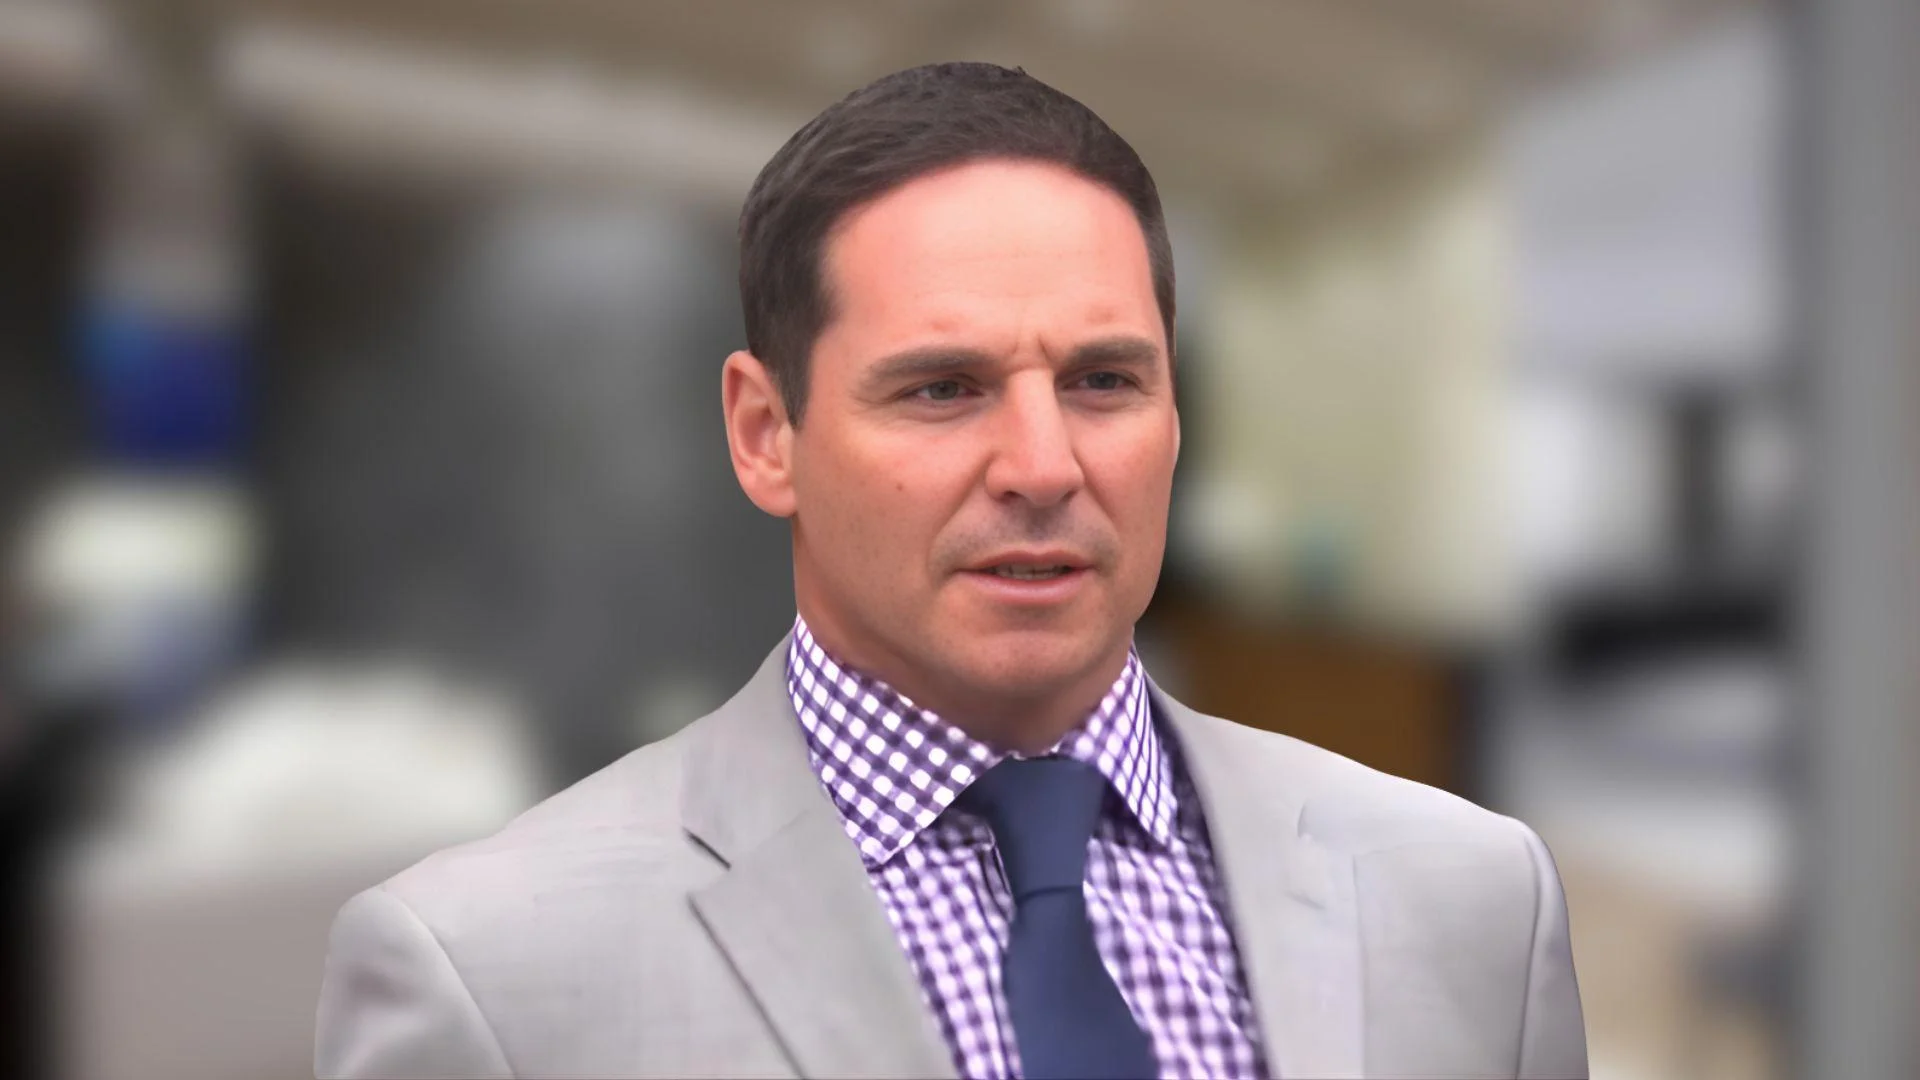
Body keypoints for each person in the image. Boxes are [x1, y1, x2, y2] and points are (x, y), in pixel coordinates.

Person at [314, 61, 1586, 1080]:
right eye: (942, 389)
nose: (1042, 465)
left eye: (1104, 380)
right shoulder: (491, 978)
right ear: (766, 435)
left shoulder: (1469, 899)